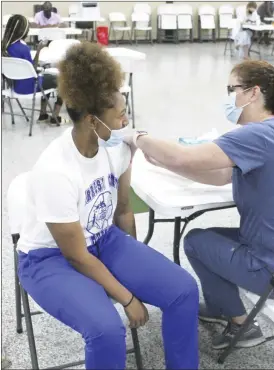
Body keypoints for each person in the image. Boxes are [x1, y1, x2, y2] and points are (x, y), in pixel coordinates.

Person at [17, 42, 199, 370]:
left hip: (103, 240)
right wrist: (128, 297)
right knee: (106, 330)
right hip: (48, 259)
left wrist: (135, 261)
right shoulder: (55, 171)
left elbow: (123, 208)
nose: (125, 120)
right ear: (91, 120)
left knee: (183, 290)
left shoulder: (116, 148)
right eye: (119, 114)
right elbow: (75, 255)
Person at [124, 60, 274, 349]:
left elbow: (185, 157)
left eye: (232, 89)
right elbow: (221, 175)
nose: (229, 97)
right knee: (211, 237)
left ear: (253, 93)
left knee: (195, 241)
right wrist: (169, 165)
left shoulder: (257, 135)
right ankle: (222, 307)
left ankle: (241, 324)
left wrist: (138, 137)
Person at [2, 15, 62, 123]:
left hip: (14, 87)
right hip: (29, 87)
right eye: (27, 29)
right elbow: (33, 70)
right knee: (62, 80)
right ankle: (55, 115)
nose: (28, 31)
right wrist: (39, 50)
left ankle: (43, 114)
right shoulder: (23, 48)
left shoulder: (3, 48)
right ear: (22, 31)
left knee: (47, 78)